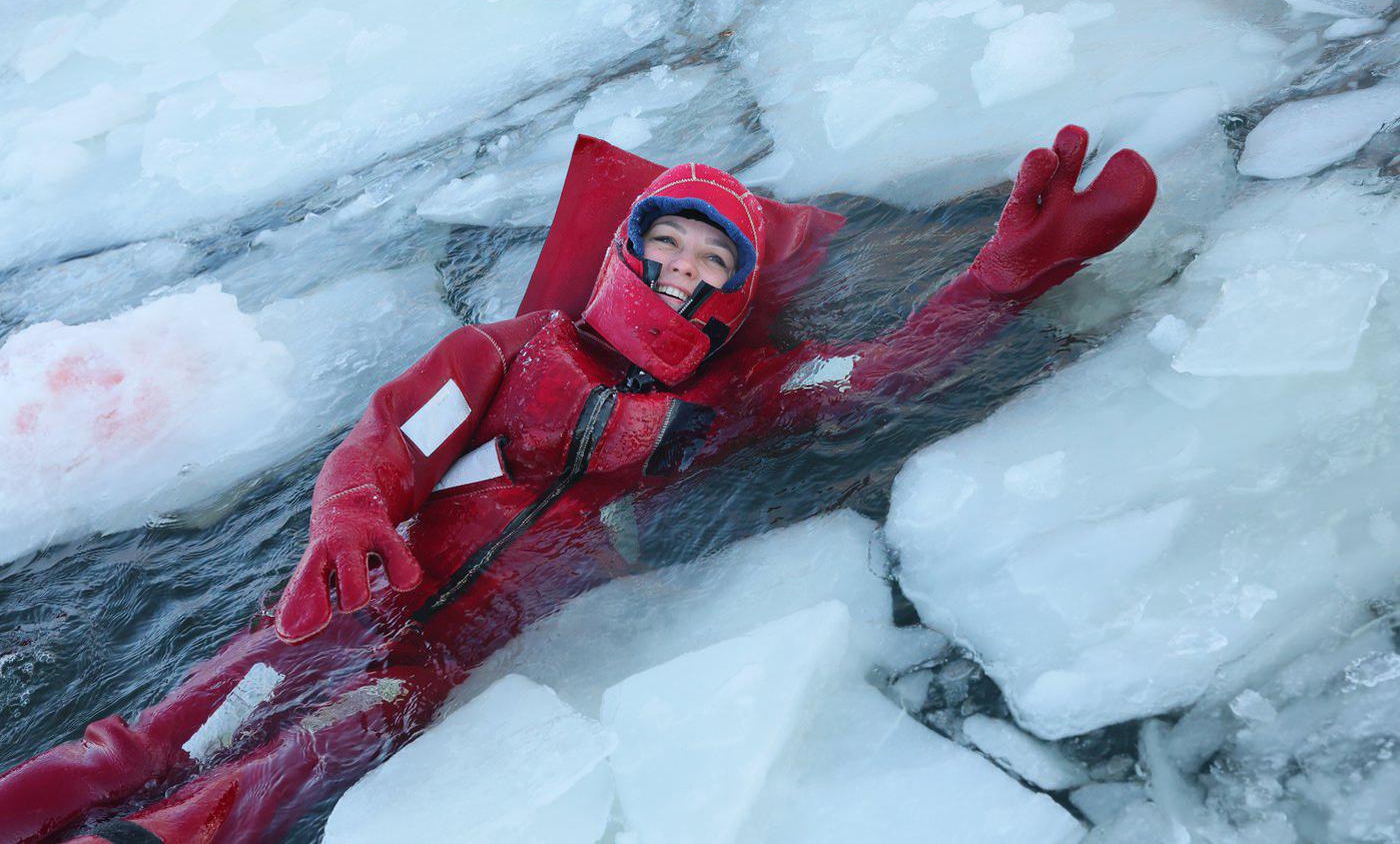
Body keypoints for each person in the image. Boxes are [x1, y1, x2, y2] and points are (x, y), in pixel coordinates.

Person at [0, 126, 1156, 843]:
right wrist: (349, 515)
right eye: (676, 246)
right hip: (342, 602)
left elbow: (871, 374)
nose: (689, 275)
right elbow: (389, 440)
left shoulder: (727, 398)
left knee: (285, 769)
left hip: (442, 661)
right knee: (160, 739)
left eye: (718, 266)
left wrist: (1001, 278)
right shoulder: (507, 352)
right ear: (631, 246)